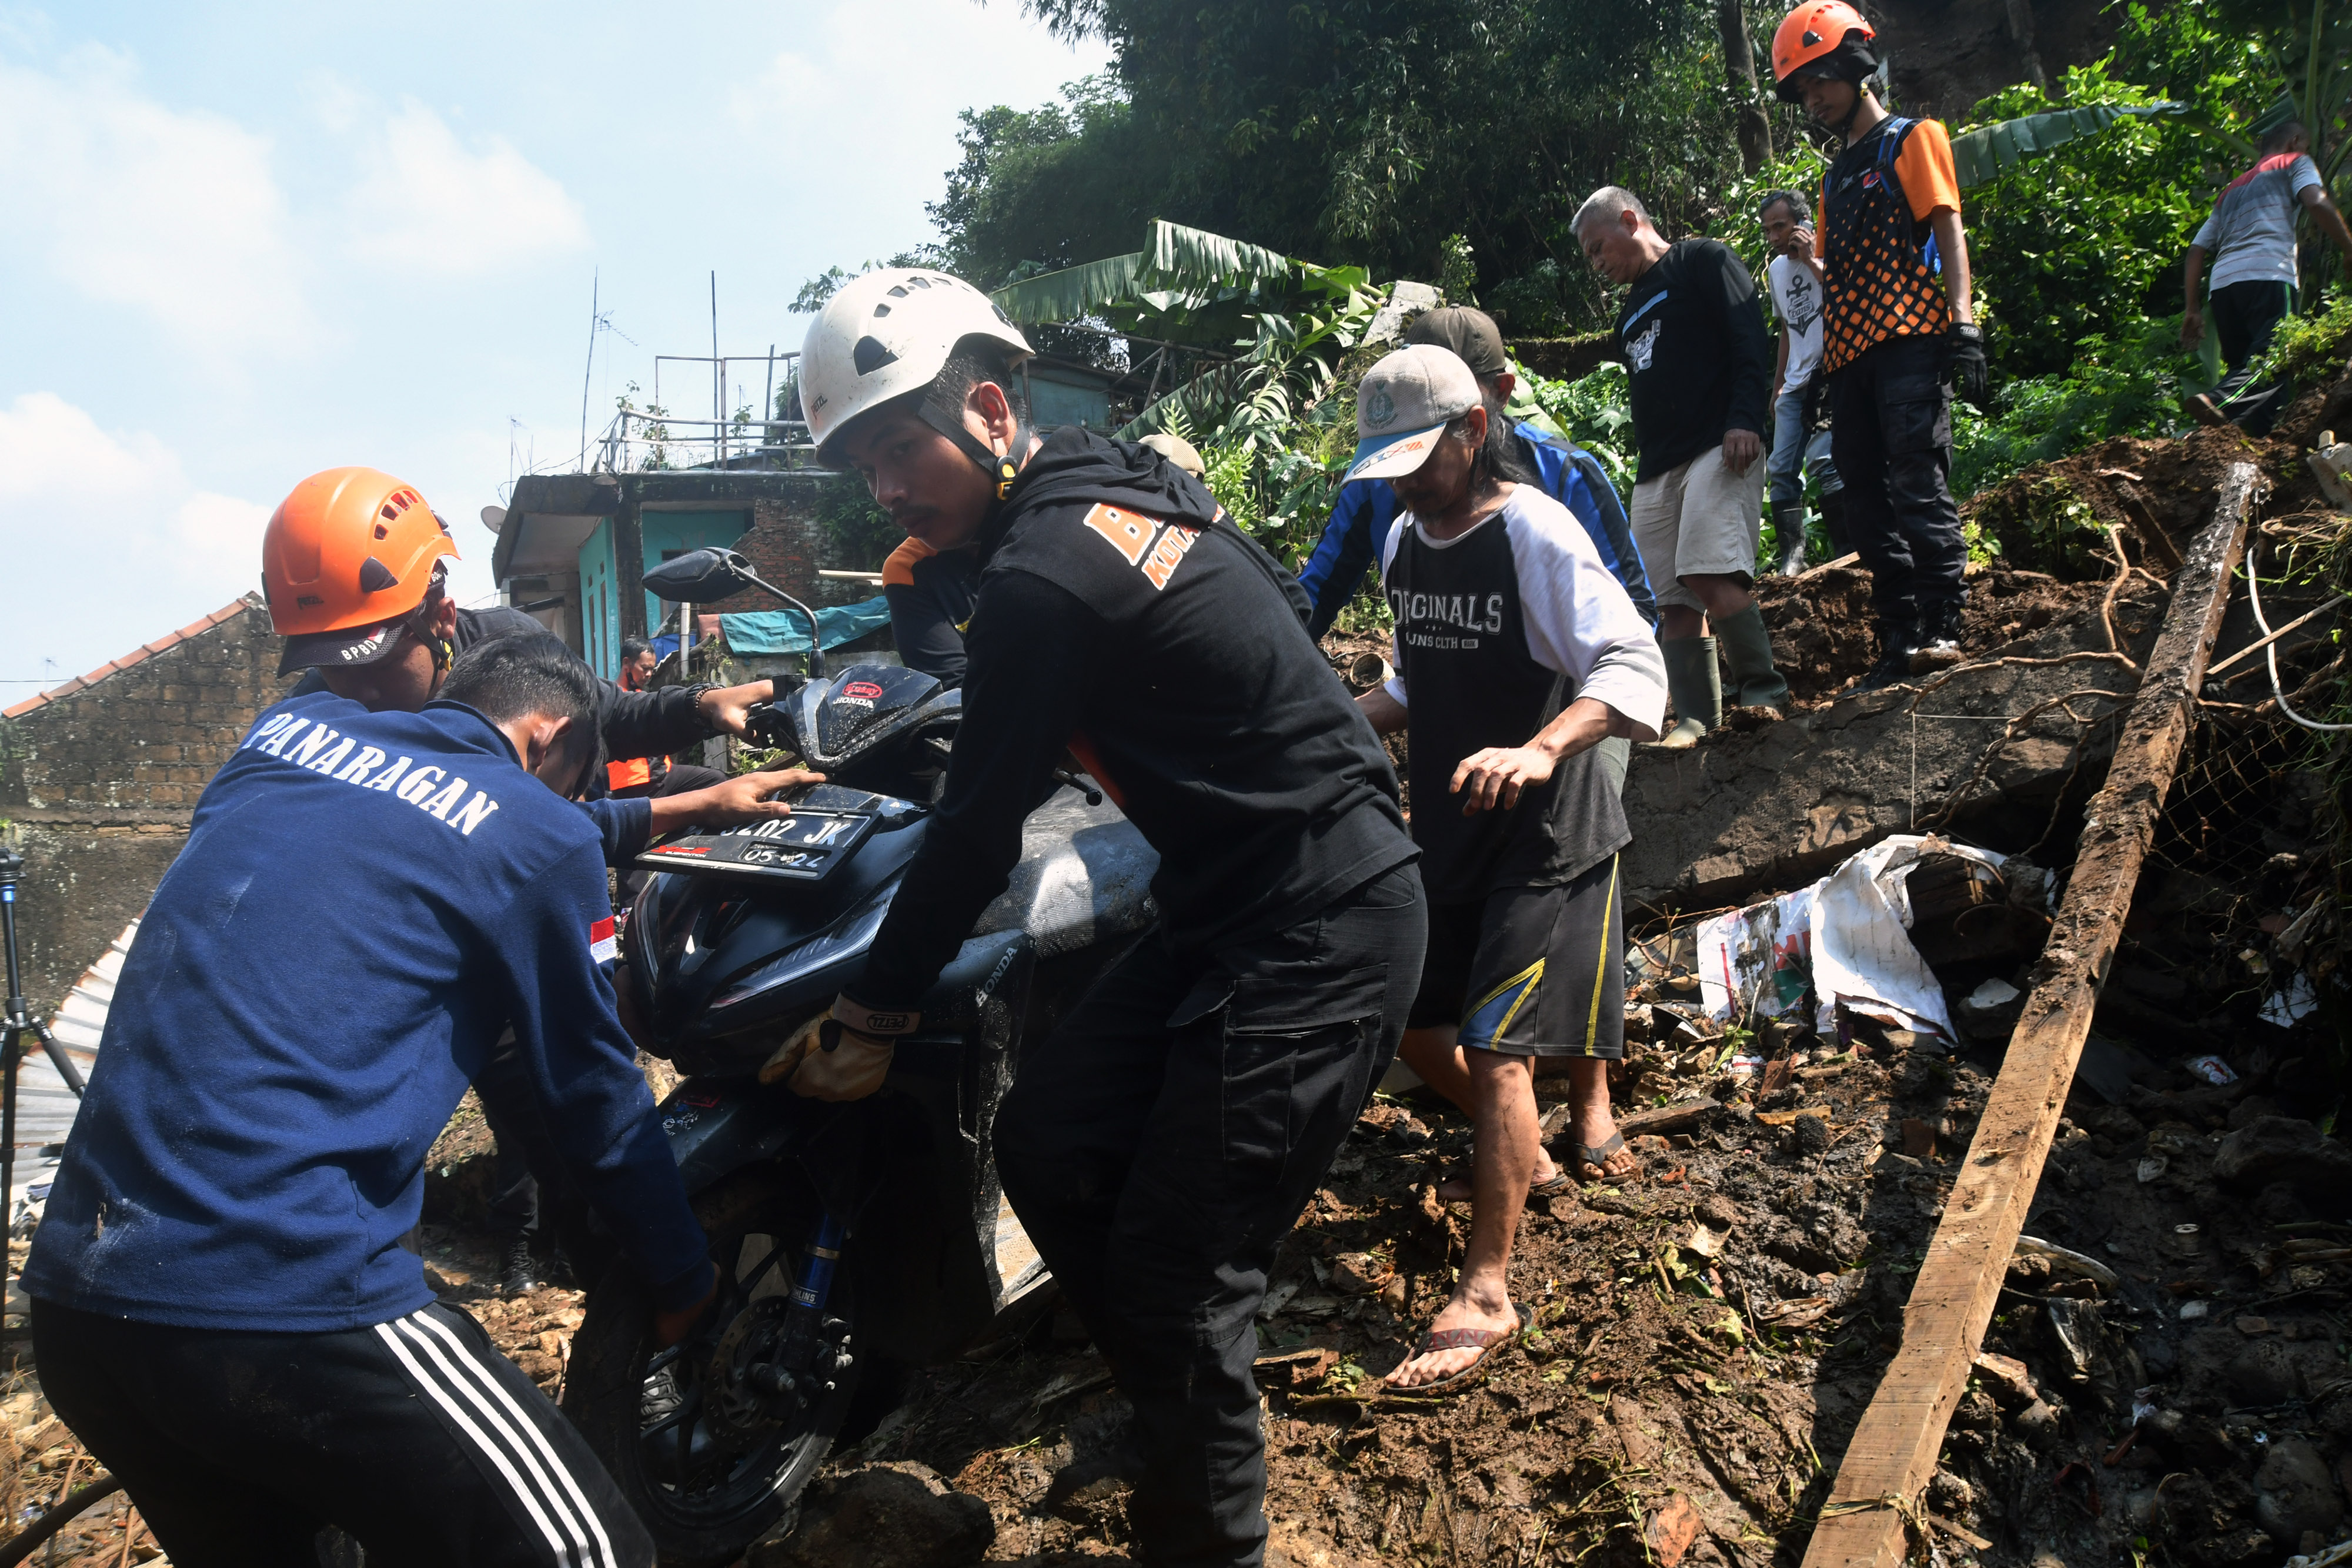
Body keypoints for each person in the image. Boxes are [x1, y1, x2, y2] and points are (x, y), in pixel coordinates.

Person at [784, 266, 1425, 1568]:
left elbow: (976, 825)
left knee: (1183, 1279)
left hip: (1322, 911)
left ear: (983, 408)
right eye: (864, 467)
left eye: (901, 447)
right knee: (1049, 1140)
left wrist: (871, 1004)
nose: (889, 489)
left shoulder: (1041, 575)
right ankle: (1179, 1413)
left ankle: (1204, 1523)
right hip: (1231, 894)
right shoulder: (1113, 485)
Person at [25, 637, 721, 1567]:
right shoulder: (540, 829)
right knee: (593, 1554)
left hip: (80, 1302)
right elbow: (593, 1088)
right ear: (546, 738)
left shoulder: (286, 733)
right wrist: (681, 1276)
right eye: (572, 780)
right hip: (281, 1297)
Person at [262, 466, 805, 1297]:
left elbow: (602, 720)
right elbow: (496, 835)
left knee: (573, 1135)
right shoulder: (320, 712)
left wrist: (700, 705)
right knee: (391, 1133)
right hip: (425, 950)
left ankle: (623, 1308)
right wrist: (693, 802)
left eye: (372, 660)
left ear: (440, 614)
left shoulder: (513, 647)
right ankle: (388, 1294)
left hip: (535, 907)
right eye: (332, 665)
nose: (356, 691)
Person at [1343, 345, 1665, 1392]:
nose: (1400, 479)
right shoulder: (1403, 538)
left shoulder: (1532, 528)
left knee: (1503, 1047)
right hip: (1448, 823)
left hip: (1543, 827)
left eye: (1417, 456)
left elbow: (1629, 660)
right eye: (1383, 462)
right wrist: (1336, 723)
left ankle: (1490, 1286)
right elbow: (1410, 679)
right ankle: (1516, 1152)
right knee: (1413, 1019)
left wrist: (1541, 748)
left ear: (1472, 432)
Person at [1773, 0, 1984, 687]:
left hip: (1910, 339)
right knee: (1861, 498)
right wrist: (1812, 379)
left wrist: (1963, 320)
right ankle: (1898, 637)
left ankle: (1945, 623)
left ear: (1851, 67)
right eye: (1803, 92)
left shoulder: (1911, 138)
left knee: (1916, 482)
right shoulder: (1834, 177)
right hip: (1850, 354)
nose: (1814, 100)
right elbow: (1838, 276)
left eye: (1819, 83)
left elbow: (1946, 228)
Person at [1297, 307, 1654, 647]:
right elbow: (1319, 592)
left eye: (1443, 396)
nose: (1403, 481)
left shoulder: (1561, 475)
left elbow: (1633, 614)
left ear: (1500, 393)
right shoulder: (1377, 484)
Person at [1575, 187, 1787, 748]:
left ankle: (1763, 691)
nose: (1598, 264)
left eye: (1599, 248)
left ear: (1629, 220)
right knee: (1669, 598)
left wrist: (1745, 418)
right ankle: (1696, 718)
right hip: (1657, 467)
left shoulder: (1703, 260)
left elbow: (1749, 338)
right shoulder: (1629, 311)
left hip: (1719, 442)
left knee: (1709, 570)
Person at [2183, 120, 2352, 435]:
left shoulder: (2231, 189)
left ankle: (2256, 441)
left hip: (2223, 288)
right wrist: (2349, 248)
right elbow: (2316, 202)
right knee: (2274, 359)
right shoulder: (2295, 162)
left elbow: (2196, 250)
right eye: (2305, 146)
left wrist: (2192, 309)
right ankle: (2217, 401)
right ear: (2296, 142)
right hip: (2268, 274)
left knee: (2250, 373)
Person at [1760, 189, 1849, 574]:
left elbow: (1847, 296)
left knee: (1825, 461)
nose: (1774, 237)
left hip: (1831, 373)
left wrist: (1812, 259)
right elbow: (1785, 329)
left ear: (1804, 223)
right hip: (1795, 383)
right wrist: (1777, 384)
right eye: (1768, 230)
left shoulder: (1831, 250)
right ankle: (1792, 556)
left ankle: (1849, 547)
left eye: (1780, 227)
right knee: (1780, 469)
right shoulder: (1775, 271)